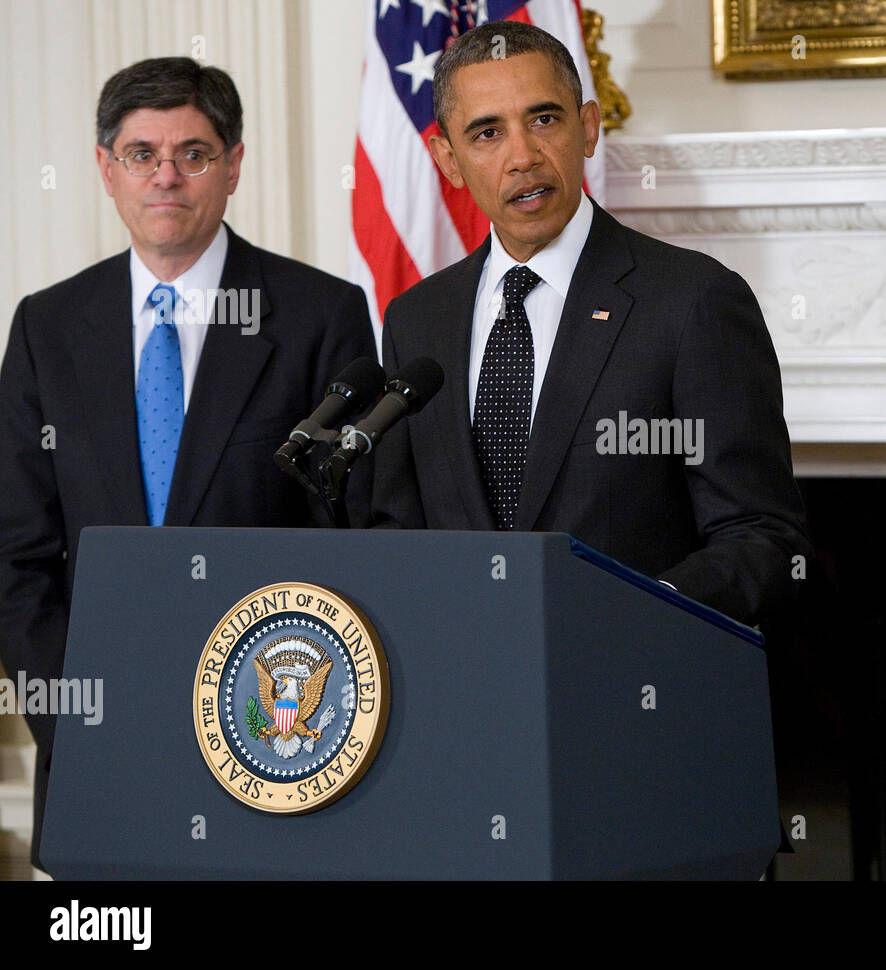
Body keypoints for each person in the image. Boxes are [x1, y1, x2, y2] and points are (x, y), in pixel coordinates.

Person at [0, 57, 375, 868]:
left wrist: (275, 724)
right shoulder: (46, 329)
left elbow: (353, 542)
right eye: (141, 154)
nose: (165, 176)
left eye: (193, 153)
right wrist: (84, 713)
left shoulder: (322, 317)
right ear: (107, 169)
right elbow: (17, 559)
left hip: (277, 747)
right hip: (99, 756)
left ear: (234, 164)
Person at [371, 21, 809, 626]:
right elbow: (398, 531)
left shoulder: (693, 301)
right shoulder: (417, 318)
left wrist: (630, 613)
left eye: (544, 120)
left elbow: (763, 539)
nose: (523, 156)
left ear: (589, 128)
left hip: (632, 687)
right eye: (487, 133)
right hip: (469, 688)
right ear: (448, 158)